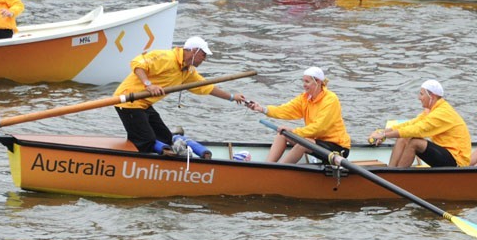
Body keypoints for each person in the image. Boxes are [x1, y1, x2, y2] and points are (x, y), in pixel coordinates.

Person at [113, 36, 245, 153]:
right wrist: (149, 85)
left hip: (144, 104)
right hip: (128, 102)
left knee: (165, 138)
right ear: (194, 51)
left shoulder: (187, 71)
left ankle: (168, 146)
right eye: (203, 55)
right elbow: (137, 63)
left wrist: (232, 97)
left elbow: (206, 87)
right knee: (147, 140)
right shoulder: (166, 57)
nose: (204, 59)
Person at [248, 66, 351, 164]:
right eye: (303, 81)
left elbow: (319, 128)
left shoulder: (331, 100)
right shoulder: (305, 98)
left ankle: (280, 171)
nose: (304, 85)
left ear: (318, 82)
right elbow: (285, 110)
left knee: (303, 143)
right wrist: (263, 109)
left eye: (307, 81)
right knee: (282, 135)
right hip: (316, 141)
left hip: (337, 147)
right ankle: (268, 166)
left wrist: (294, 131)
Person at [370, 80, 471, 168]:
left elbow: (417, 130)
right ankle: (390, 172)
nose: (419, 97)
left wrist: (385, 135)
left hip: (457, 161)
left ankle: (398, 177)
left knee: (415, 143)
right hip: (444, 153)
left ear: (431, 96)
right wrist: (383, 132)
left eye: (421, 94)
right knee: (404, 137)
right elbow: (411, 124)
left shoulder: (442, 113)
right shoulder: (432, 110)